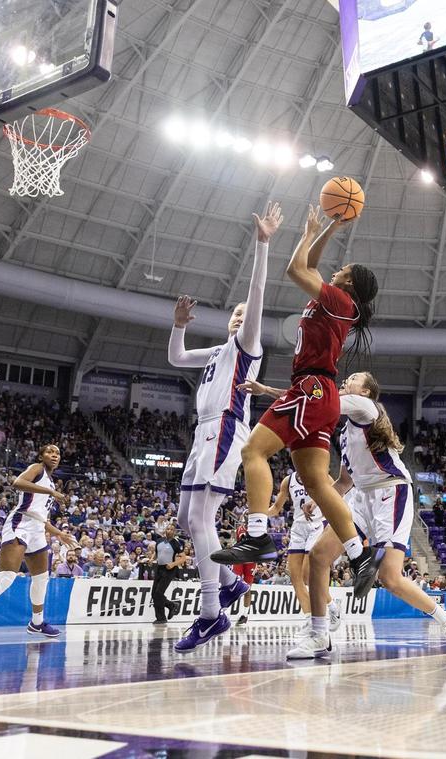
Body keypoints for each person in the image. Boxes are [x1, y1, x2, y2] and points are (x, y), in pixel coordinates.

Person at [242, 371, 446, 660]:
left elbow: (313, 402)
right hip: (361, 497)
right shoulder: (344, 432)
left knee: (390, 577)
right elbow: (343, 482)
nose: (345, 380)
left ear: (365, 392)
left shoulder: (366, 408)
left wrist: (266, 390)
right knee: (319, 556)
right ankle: (319, 634)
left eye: (353, 379)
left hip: (391, 492)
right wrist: (319, 498)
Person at [212, 205, 379, 603]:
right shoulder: (337, 301)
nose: (335, 270)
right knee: (320, 484)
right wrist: (327, 227)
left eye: (344, 270)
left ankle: (255, 536)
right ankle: (359, 556)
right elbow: (312, 263)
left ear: (349, 282)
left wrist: (306, 235)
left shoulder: (339, 300)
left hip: (311, 388)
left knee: (253, 450)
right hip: (319, 394)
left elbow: (296, 269)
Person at [167, 202, 279, 652]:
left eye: (244, 313)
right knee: (183, 518)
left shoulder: (247, 346)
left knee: (199, 519)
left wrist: (263, 244)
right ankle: (230, 581)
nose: (239, 317)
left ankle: (212, 613)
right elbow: (176, 357)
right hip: (203, 434)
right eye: (233, 314)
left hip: (226, 430)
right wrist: (178, 327)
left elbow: (257, 290)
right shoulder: (217, 351)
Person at [0, 444, 78, 642]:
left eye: (58, 453)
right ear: (41, 455)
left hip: (37, 529)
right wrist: (51, 493)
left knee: (41, 578)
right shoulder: (37, 468)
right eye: (50, 452)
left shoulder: (51, 481)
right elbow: (17, 482)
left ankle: (37, 622)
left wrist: (57, 533)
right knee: (6, 578)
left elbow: (39, 515)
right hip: (20, 524)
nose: (54, 455)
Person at [272, 470, 339, 639]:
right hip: (298, 528)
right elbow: (276, 508)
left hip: (317, 525)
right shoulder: (288, 480)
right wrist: (256, 514)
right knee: (295, 577)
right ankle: (309, 618)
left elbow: (337, 495)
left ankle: (331, 607)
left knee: (309, 575)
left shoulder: (322, 474)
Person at [152, 523, 183, 624]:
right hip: (159, 568)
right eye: (168, 529)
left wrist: (173, 564)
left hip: (169, 569)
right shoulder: (159, 541)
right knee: (154, 594)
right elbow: (157, 553)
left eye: (171, 529)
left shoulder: (176, 543)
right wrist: (151, 559)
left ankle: (161, 618)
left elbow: (183, 558)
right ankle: (171, 605)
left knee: (158, 593)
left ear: (174, 532)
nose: (169, 531)